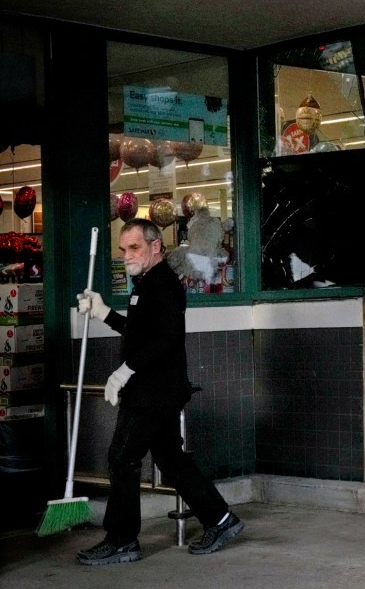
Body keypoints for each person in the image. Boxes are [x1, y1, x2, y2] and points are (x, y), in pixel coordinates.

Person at [74, 218, 243, 566]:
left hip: (153, 391)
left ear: (155, 247)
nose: (126, 255)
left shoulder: (163, 285)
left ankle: (122, 540)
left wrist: (124, 371)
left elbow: (165, 340)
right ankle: (221, 519)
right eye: (123, 249)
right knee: (170, 459)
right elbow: (138, 332)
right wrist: (104, 312)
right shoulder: (146, 284)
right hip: (156, 389)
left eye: (134, 247)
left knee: (122, 457)